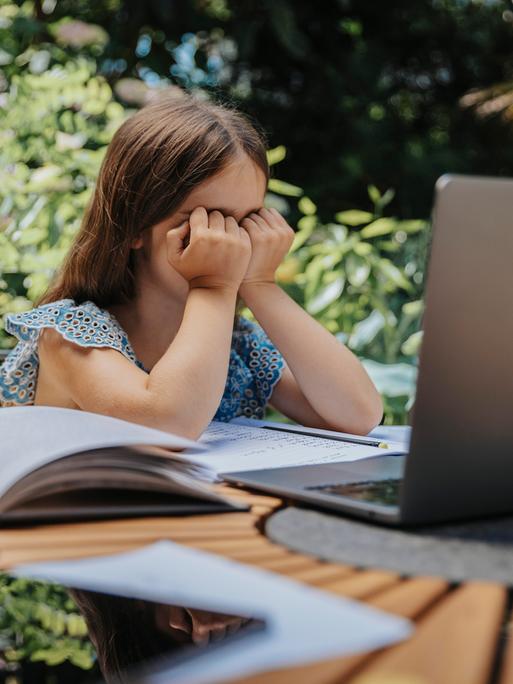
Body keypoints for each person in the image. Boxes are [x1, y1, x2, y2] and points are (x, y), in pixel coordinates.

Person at [0, 92, 383, 439]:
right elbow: (168, 423)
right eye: (207, 221)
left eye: (248, 221)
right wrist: (212, 286)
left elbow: (357, 415)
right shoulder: (67, 336)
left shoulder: (239, 345)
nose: (229, 241)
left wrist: (262, 284)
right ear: (135, 226)